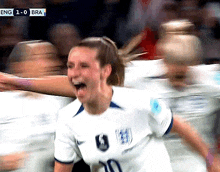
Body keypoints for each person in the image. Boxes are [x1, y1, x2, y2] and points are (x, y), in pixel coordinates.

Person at [0, 40, 72, 172]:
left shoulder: (61, 101)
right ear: (20, 65)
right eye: (40, 58)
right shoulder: (3, 101)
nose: (51, 64)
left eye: (51, 58)